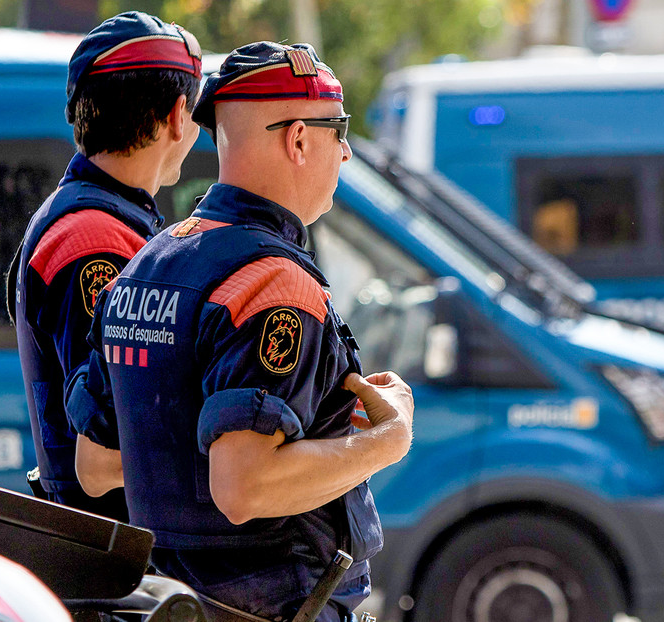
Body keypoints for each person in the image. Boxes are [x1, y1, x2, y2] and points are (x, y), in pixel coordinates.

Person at [66, 41, 413, 622]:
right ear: (299, 139)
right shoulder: (274, 286)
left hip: (168, 603)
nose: (347, 152)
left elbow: (94, 466)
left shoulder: (147, 265)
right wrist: (388, 440)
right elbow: (245, 489)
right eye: (339, 130)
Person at [10, 11, 201, 518]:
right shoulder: (95, 240)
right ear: (179, 114)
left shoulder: (99, 219)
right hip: (115, 557)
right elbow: (109, 440)